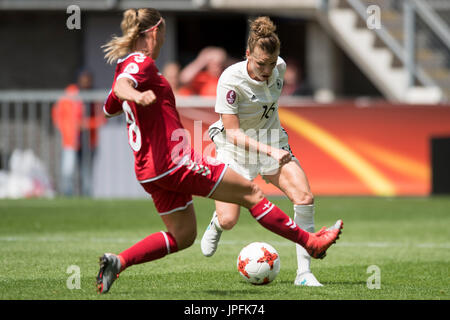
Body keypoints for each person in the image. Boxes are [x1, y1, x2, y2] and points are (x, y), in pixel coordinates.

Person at [97, 8, 343, 294]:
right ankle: (311, 242)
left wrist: (130, 94)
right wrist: (137, 94)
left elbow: (108, 107)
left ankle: (118, 262)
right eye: (164, 30)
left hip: (148, 171)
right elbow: (123, 86)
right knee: (251, 195)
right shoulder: (142, 63)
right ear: (156, 31)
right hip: (174, 161)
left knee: (183, 235)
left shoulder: (126, 63)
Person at [200, 17, 325, 286]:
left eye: (271, 62)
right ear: (248, 55)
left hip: (272, 142)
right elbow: (233, 132)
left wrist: (272, 148)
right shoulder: (230, 80)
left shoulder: (279, 67)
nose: (267, 70)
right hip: (234, 149)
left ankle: (304, 274)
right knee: (230, 219)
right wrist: (269, 149)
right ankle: (217, 223)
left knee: (304, 197)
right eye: (260, 63)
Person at [52, 70, 105, 196]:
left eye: (88, 79)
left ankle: (86, 197)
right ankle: (67, 195)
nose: (85, 82)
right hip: (71, 140)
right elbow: (58, 113)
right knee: (68, 171)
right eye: (83, 78)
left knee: (86, 173)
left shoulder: (95, 96)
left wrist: (87, 124)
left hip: (89, 141)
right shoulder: (70, 93)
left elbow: (102, 118)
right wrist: (65, 128)